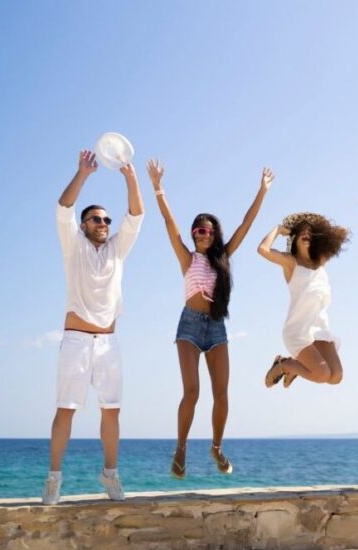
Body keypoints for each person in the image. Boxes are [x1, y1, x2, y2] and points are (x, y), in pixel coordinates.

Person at [147, 159, 274, 479]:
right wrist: (158, 188)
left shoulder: (223, 257)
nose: (200, 234)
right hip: (189, 325)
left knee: (222, 394)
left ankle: (216, 447)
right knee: (192, 392)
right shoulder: (187, 258)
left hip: (216, 328)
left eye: (206, 230)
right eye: (196, 230)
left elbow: (246, 224)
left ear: (214, 233)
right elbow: (168, 223)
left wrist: (262, 192)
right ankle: (180, 449)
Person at [43, 150, 144, 505]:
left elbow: (136, 215)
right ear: (85, 225)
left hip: (109, 343)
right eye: (97, 219)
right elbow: (62, 209)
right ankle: (54, 478)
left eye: (106, 219)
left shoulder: (117, 250)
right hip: (75, 340)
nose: (104, 223)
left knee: (112, 410)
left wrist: (130, 176)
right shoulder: (74, 247)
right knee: (66, 409)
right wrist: (83, 173)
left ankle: (110, 474)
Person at [258, 212, 349, 388]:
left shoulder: (321, 261)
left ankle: (293, 368)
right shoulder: (290, 262)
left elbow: (343, 232)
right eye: (301, 232)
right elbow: (263, 250)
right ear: (294, 238)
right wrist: (277, 229)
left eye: (310, 232)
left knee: (336, 376)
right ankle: (285, 365)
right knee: (322, 374)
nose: (306, 234)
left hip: (319, 328)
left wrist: (323, 230)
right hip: (298, 330)